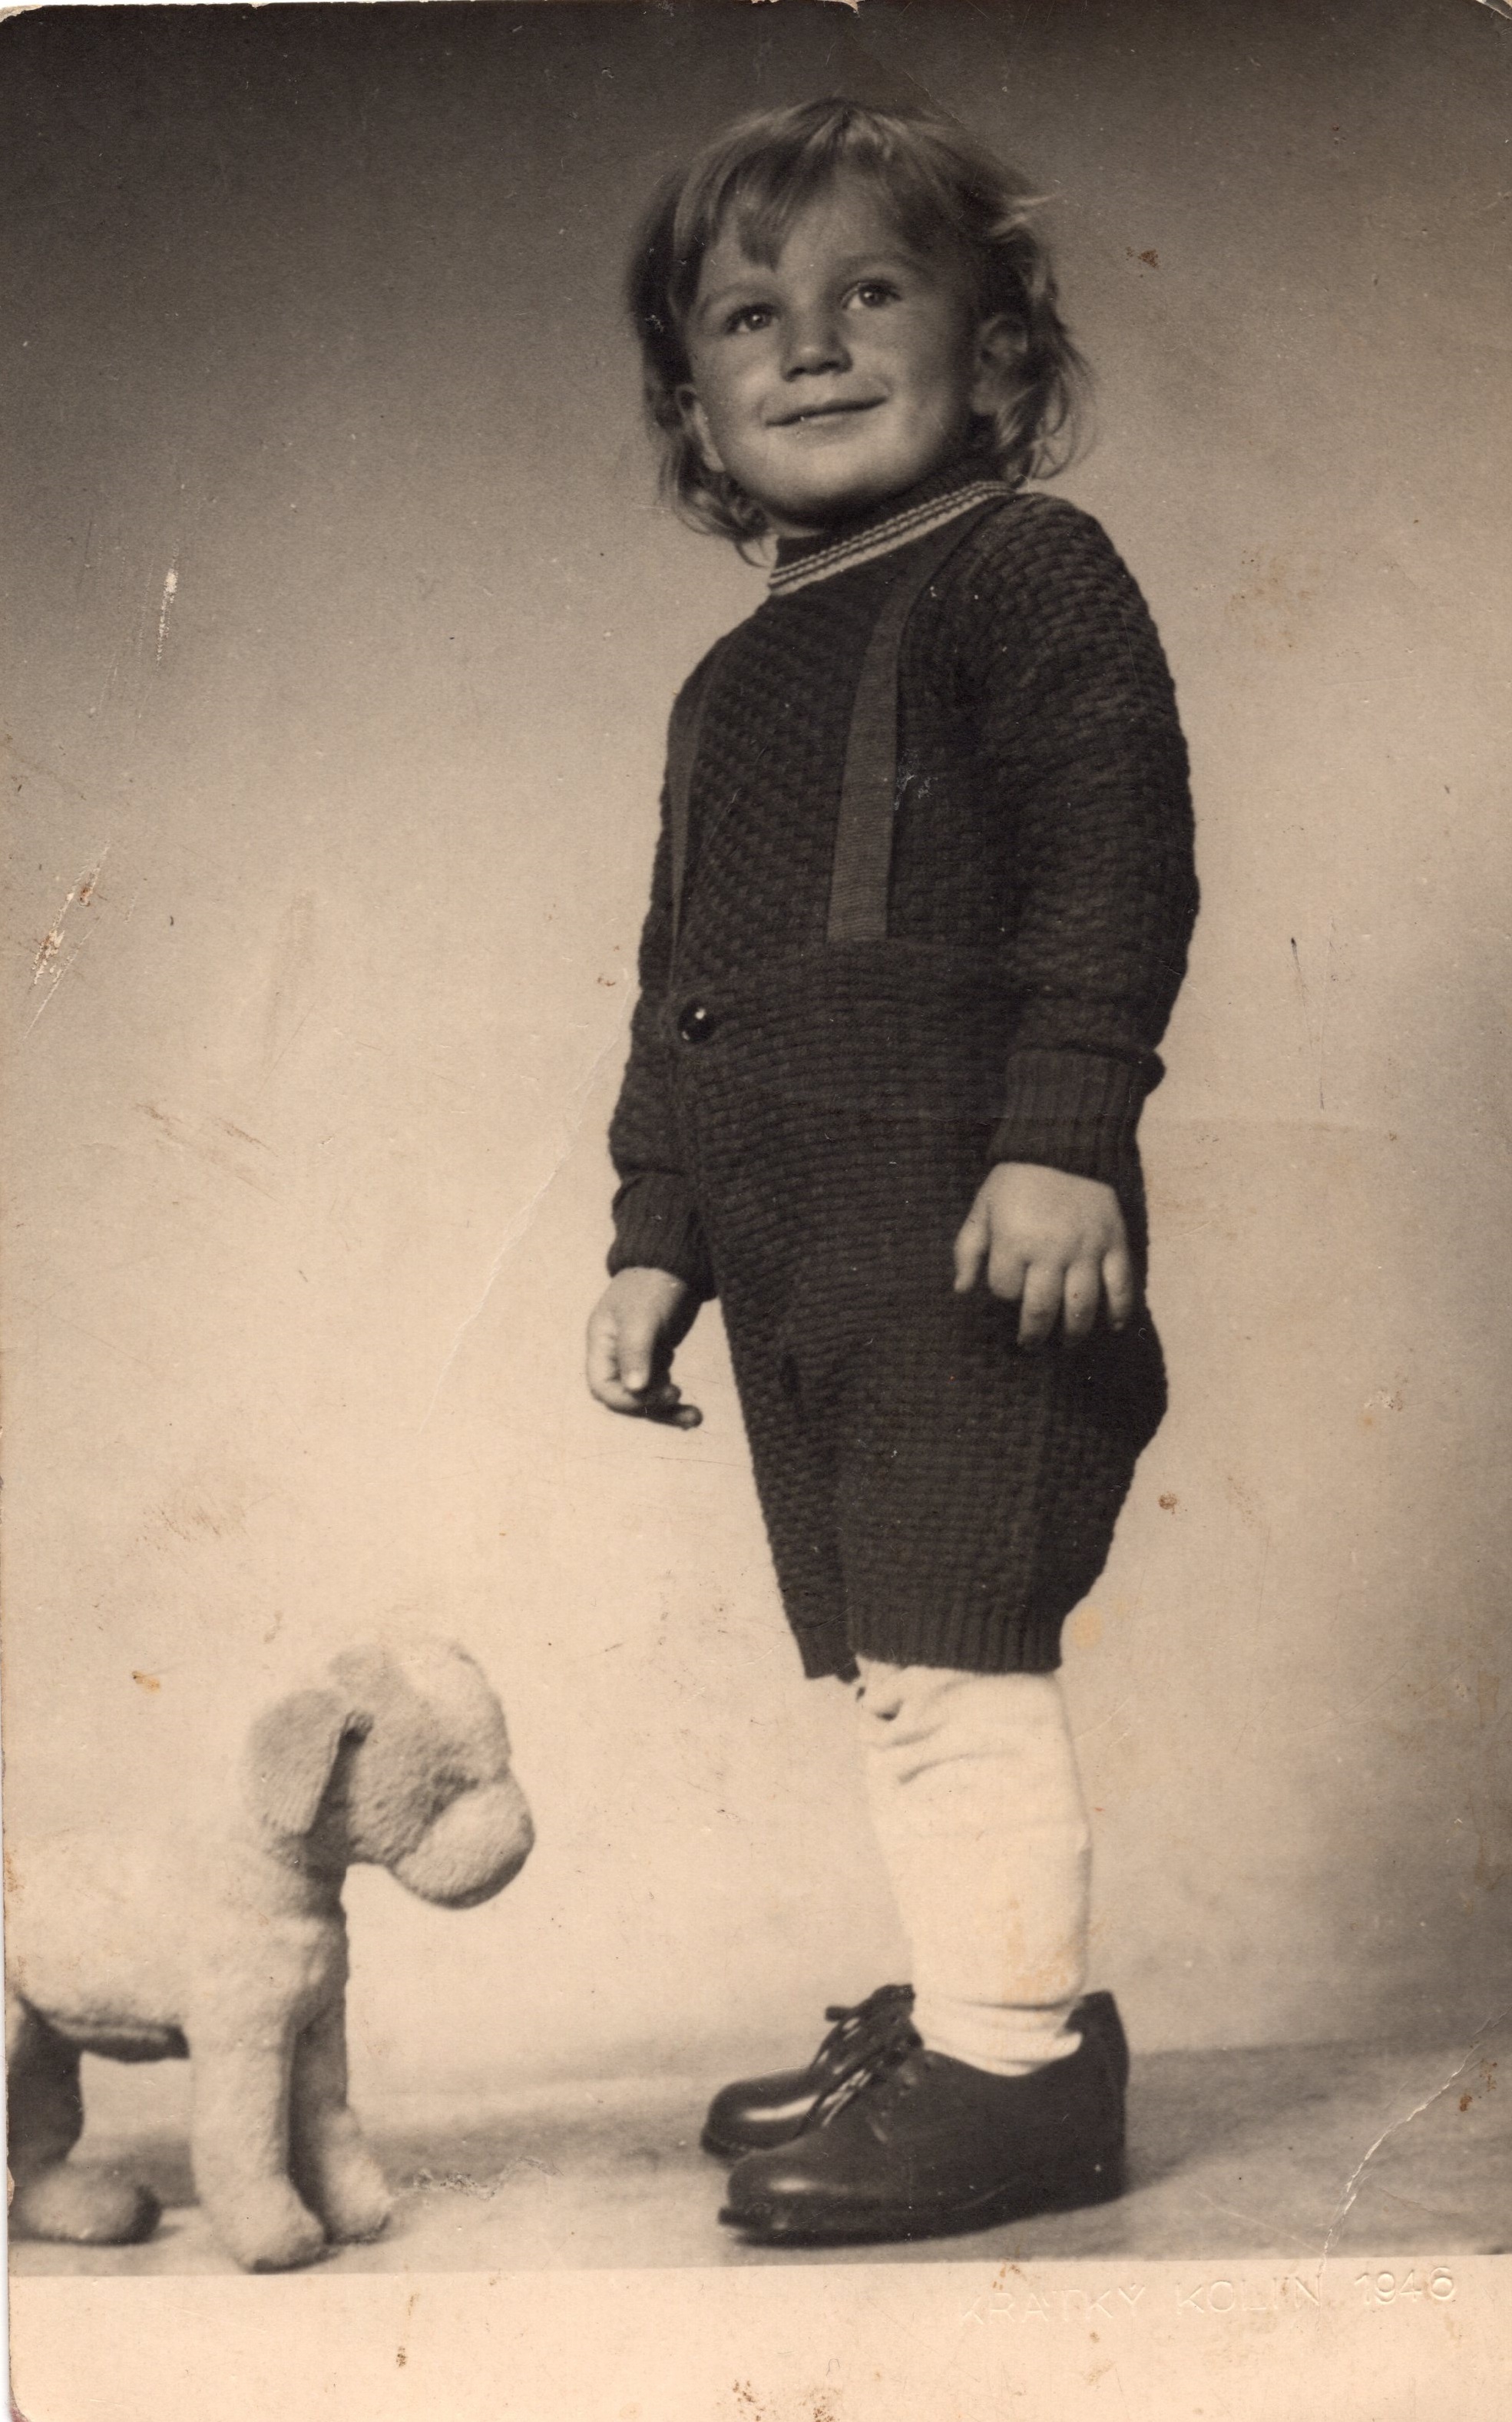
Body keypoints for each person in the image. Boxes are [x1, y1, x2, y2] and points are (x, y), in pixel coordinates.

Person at [584, 97, 1198, 2245]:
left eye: (871, 291)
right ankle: (969, 2013)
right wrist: (655, 1236)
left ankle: (1013, 2071)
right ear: (693, 401)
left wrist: (1062, 1134)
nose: (814, 345)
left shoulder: (1024, 571)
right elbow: (680, 985)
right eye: (751, 317)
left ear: (995, 346)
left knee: (953, 1659)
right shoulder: (727, 680)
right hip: (804, 1270)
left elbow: (1115, 861)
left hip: (968, 1244)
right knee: (893, 1660)